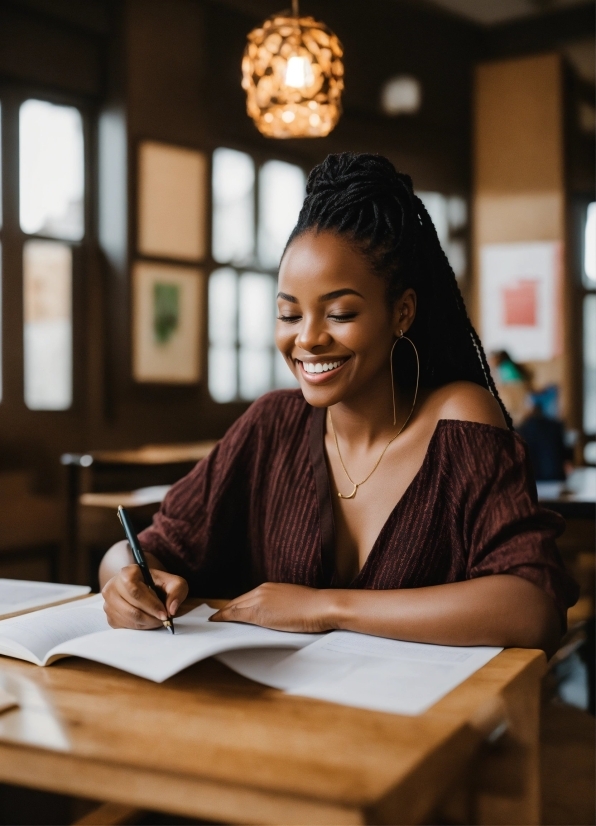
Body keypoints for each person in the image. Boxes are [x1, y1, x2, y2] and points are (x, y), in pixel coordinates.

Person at [100, 153, 578, 658]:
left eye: (340, 312)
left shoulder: (458, 418)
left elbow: (532, 608)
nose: (308, 339)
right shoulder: (271, 425)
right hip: (288, 720)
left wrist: (325, 607)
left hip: (427, 722)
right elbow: (147, 547)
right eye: (288, 314)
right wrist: (125, 580)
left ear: (402, 312)